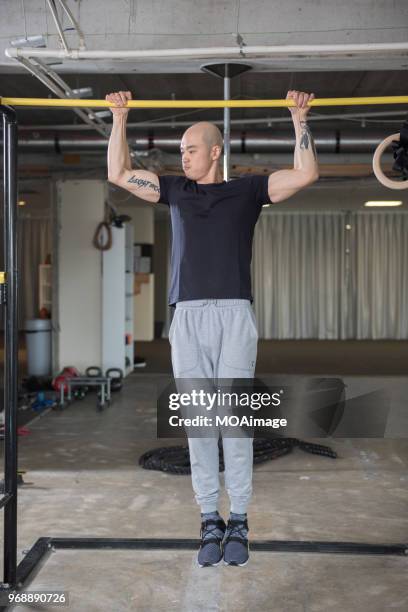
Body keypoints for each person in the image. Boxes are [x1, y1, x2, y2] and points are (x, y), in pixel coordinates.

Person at [106, 88, 319, 567]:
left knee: (235, 423)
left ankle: (239, 518)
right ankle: (208, 518)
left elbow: (305, 173)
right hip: (188, 316)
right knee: (201, 424)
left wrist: (299, 120)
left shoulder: (247, 191)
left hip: (234, 315)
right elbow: (117, 173)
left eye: (191, 148)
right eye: (180, 150)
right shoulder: (175, 190)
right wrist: (119, 117)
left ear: (216, 151)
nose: (183, 156)